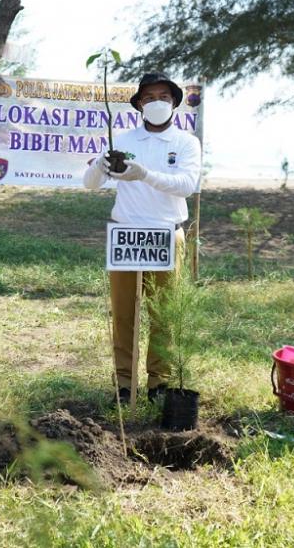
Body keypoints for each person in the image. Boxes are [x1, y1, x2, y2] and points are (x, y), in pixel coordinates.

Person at [82, 72, 202, 403]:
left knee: (163, 312)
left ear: (175, 102)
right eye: (149, 98)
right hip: (127, 234)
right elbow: (90, 183)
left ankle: (159, 383)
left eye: (163, 97)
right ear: (138, 105)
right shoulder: (125, 141)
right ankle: (124, 383)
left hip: (166, 234)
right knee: (124, 313)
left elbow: (186, 185)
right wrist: (100, 165)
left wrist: (144, 174)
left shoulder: (185, 143)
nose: (156, 103)